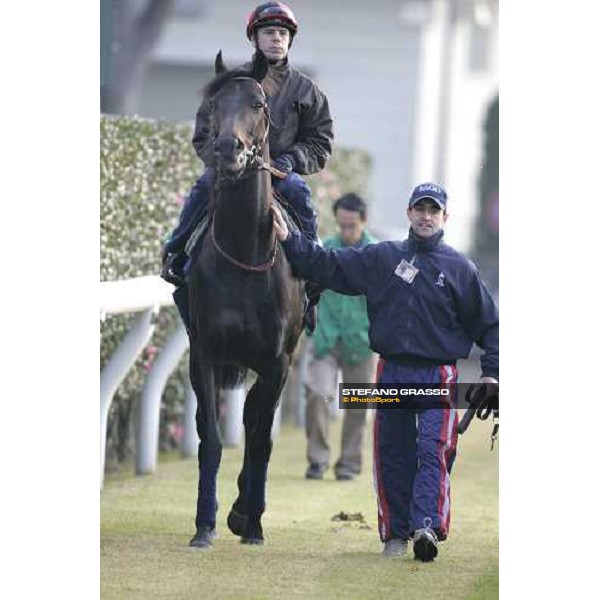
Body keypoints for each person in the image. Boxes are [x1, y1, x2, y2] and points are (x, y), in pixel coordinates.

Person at [272, 182, 499, 562]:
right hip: (391, 371)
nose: (426, 216)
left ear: (445, 217)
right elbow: (329, 265)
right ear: (409, 213)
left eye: (434, 210)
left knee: (432, 449)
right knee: (392, 454)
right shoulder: (382, 257)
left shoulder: (461, 269)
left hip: (438, 377)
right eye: (420, 209)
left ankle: (426, 526)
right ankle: (395, 535)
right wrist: (289, 240)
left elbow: (491, 326)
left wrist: (492, 374)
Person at [160, 1, 334, 332]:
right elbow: (203, 134)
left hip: (280, 176)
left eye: (282, 33)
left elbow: (320, 142)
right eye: (269, 32)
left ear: (289, 40)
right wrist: (224, 161)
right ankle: (177, 252)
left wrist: (289, 161)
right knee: (201, 188)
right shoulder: (230, 83)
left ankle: (312, 271)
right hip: (231, 171)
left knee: (300, 193)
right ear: (255, 38)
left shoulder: (307, 91)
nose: (276, 39)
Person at [303, 193, 377, 481]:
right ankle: (317, 460)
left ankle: (348, 465)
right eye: (342, 225)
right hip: (326, 340)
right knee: (317, 394)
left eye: (352, 226)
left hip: (362, 342)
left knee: (358, 406)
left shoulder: (377, 256)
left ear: (363, 221)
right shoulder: (325, 252)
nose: (346, 231)